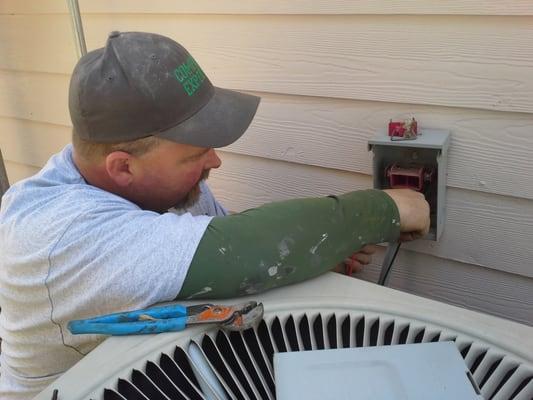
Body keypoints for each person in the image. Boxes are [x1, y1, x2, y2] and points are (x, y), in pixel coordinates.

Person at [0, 31, 429, 399]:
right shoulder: (56, 234)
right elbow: (240, 247)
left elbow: (231, 241)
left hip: (149, 364)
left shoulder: (161, 186)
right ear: (123, 167)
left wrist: (322, 254)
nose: (215, 162)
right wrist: (390, 209)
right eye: (197, 152)